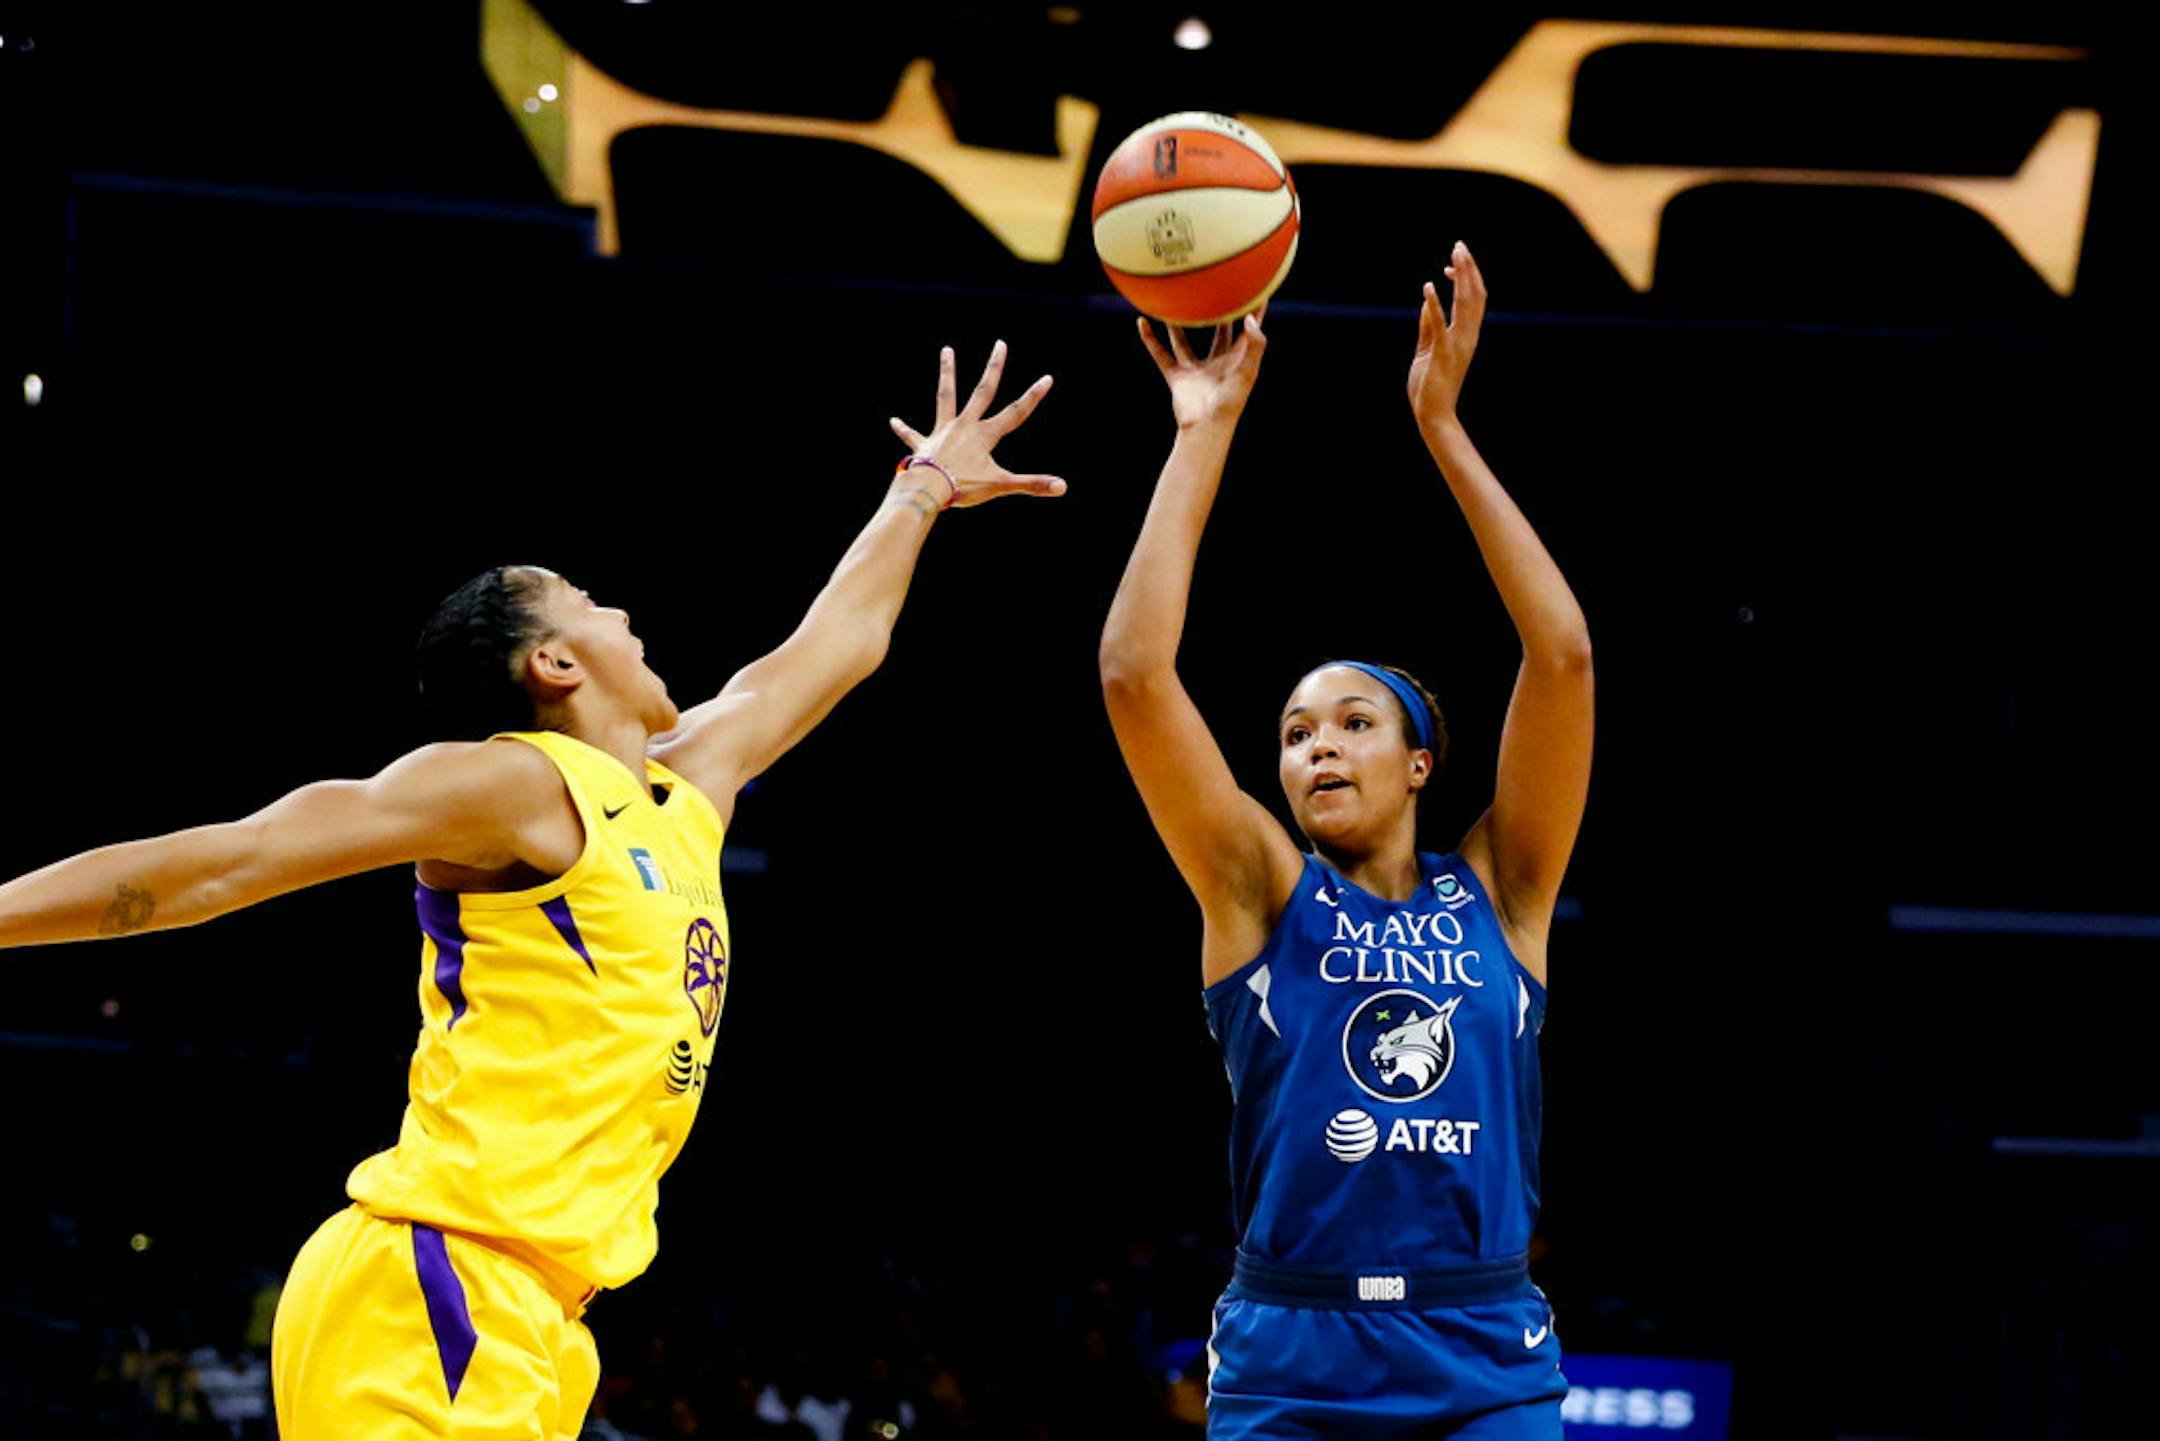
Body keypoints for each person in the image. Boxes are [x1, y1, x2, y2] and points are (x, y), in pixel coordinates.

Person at [0, 340, 1064, 1438]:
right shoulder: (515, 785)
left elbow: (839, 640)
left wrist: (926, 488)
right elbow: (224, 861)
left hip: (542, 1316)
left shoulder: (688, 786)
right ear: (553, 666)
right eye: (593, 603)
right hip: (438, 1279)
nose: (625, 616)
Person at [1098, 243, 1592, 1439]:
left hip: (1482, 1348)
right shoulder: (1260, 891)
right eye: (1295, 731)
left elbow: (1563, 654)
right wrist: (1200, 428)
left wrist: (1444, 430)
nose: (1317, 746)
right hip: (1293, 1353)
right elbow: (1133, 672)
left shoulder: (1505, 889)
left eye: (1353, 723)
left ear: (1420, 761)